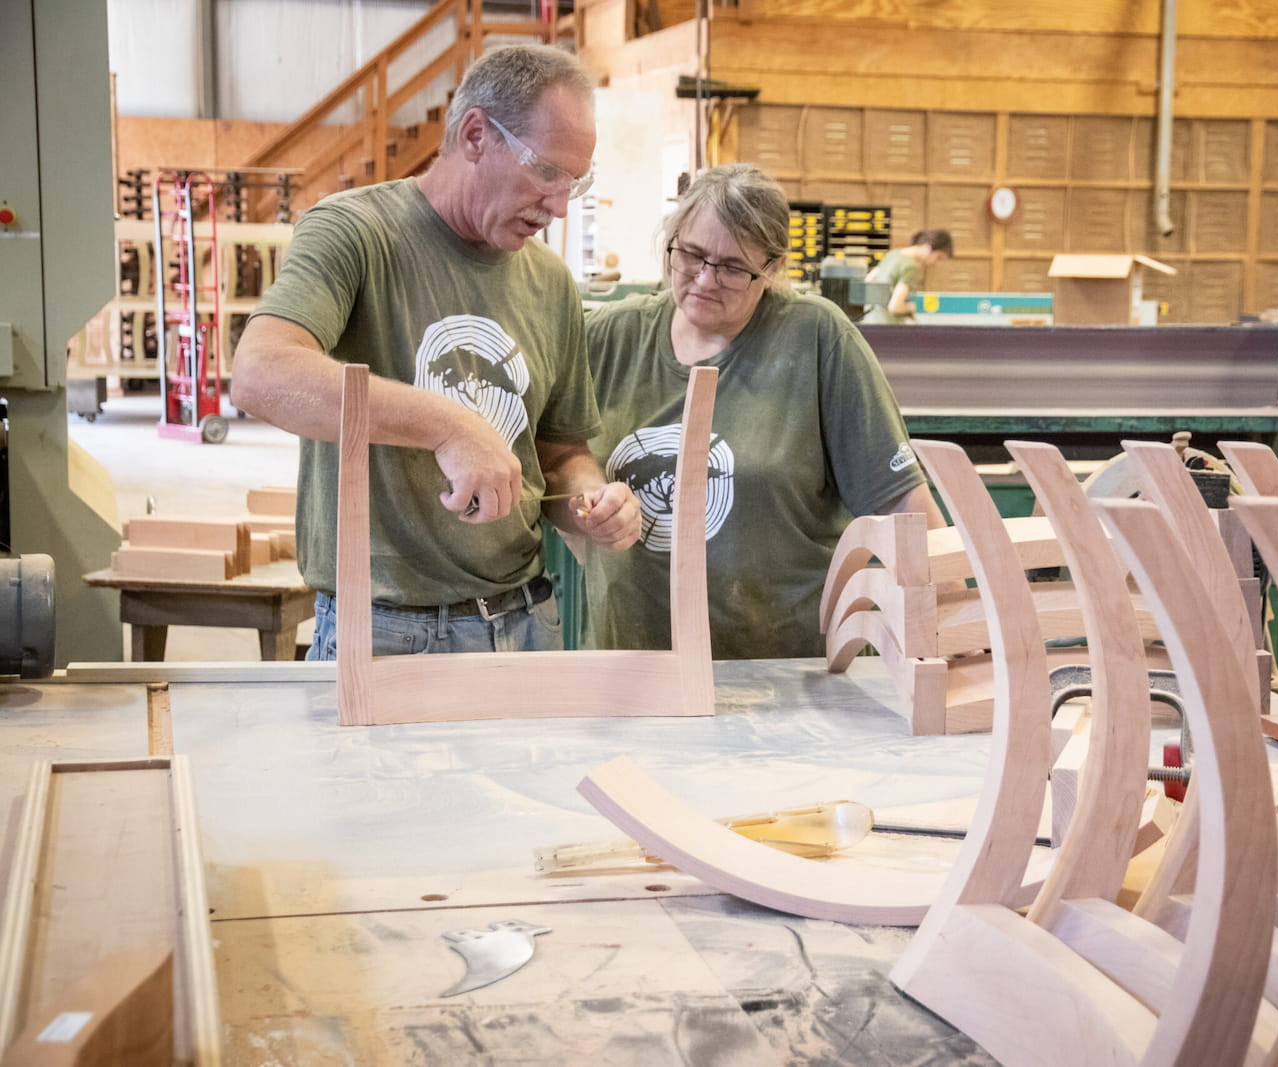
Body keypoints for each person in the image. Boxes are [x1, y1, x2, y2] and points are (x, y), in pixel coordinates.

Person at [230, 44, 639, 660]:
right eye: (547, 172)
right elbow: (262, 373)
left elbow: (560, 452)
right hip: (385, 632)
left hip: (525, 622)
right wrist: (449, 427)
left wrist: (592, 502)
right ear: (476, 134)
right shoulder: (354, 233)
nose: (559, 207)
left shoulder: (548, 280)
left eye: (574, 183)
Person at [583, 163, 945, 659]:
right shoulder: (611, 337)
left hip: (789, 675)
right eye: (691, 254)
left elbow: (902, 508)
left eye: (733, 268)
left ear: (772, 268)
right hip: (633, 665)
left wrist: (962, 629)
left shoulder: (816, 339)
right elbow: (556, 462)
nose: (706, 279)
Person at [860, 229, 953, 324]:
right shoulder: (912, 267)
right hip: (889, 327)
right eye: (938, 257)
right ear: (928, 248)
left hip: (871, 321)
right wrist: (914, 307)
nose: (934, 263)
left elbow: (868, 280)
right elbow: (895, 307)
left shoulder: (892, 254)